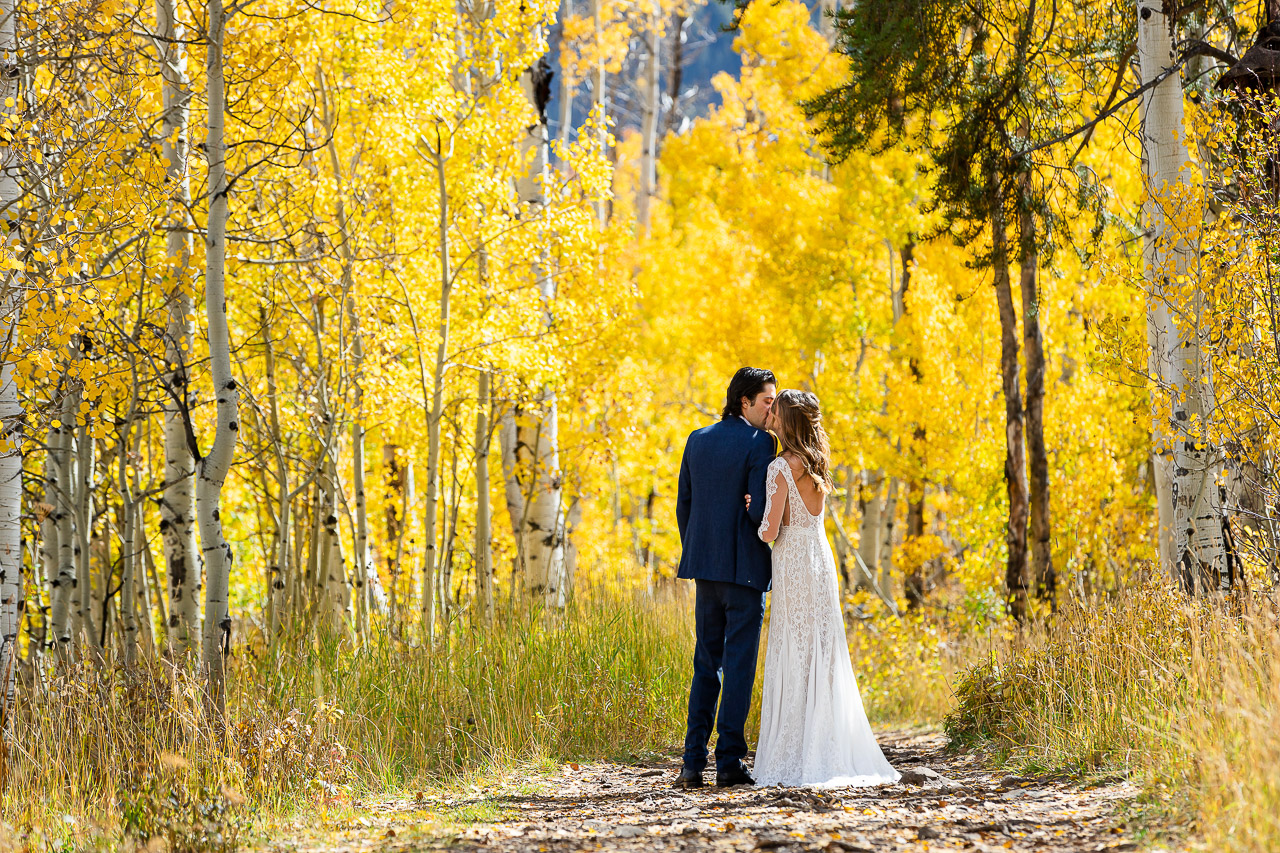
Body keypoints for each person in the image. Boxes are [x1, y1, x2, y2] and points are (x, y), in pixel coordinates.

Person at [752, 389, 899, 788]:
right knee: (821, 649)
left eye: (777, 412)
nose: (772, 416)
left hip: (794, 564)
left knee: (795, 648)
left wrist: (753, 507)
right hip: (820, 560)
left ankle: (795, 753)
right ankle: (826, 745)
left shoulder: (780, 467)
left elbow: (769, 531)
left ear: (788, 421)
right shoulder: (816, 462)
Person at [672, 367, 777, 789]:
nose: (773, 410)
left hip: (705, 568)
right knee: (738, 667)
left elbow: (684, 505)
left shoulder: (697, 439)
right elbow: (757, 514)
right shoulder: (761, 443)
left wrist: (699, 550)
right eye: (767, 402)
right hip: (745, 572)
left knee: (705, 663)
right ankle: (729, 762)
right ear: (744, 402)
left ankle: (692, 763)